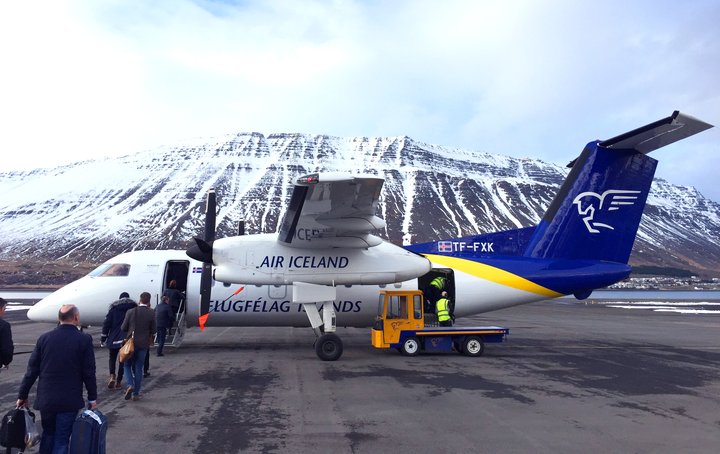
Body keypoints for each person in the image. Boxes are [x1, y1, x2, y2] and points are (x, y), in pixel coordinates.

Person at [17, 304, 97, 454]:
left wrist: (22, 395)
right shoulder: (84, 340)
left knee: (48, 434)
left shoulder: (44, 338)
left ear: (58, 319)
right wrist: (92, 398)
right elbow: (89, 372)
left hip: (47, 399)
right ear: (76, 318)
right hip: (69, 399)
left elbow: (32, 370)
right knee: (62, 439)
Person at [121, 292, 156, 401]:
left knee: (126, 365)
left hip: (131, 343)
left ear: (139, 299)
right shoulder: (151, 313)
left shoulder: (131, 312)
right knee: (139, 367)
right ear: (149, 301)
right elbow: (154, 330)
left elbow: (123, 327)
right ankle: (136, 393)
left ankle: (130, 385)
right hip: (143, 344)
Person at [101, 291, 137, 389]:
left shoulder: (113, 309)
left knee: (112, 358)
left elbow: (107, 324)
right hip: (126, 338)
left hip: (113, 337)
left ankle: (112, 375)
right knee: (123, 360)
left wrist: (103, 337)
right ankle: (119, 381)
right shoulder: (133, 309)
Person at [0, 297, 13, 373]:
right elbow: (6, 348)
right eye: (4, 309)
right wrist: (6, 361)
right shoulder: (4, 325)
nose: (4, 312)